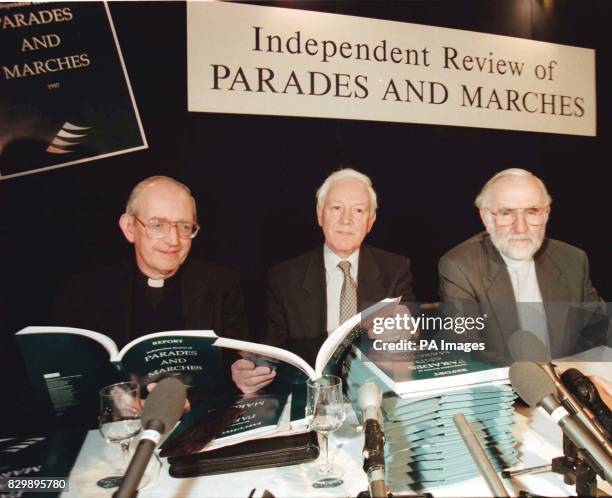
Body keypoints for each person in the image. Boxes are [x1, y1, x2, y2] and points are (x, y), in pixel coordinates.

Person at [232, 168, 415, 393]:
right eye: (336, 208)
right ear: (320, 214)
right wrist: (251, 373)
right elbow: (271, 352)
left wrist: (407, 330)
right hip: (310, 396)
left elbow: (410, 343)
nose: (346, 220)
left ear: (370, 221)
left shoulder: (395, 269)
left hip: (376, 393)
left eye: (358, 210)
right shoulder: (284, 277)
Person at [52, 175, 248, 347]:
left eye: (185, 227)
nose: (174, 241)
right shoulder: (83, 293)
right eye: (157, 225)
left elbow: (238, 361)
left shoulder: (222, 285)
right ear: (129, 228)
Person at [438, 168, 606, 359]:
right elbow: (462, 351)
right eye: (506, 213)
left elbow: (600, 328)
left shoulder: (572, 258)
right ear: (486, 217)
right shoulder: (460, 266)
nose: (520, 227)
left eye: (532, 212)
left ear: (545, 214)